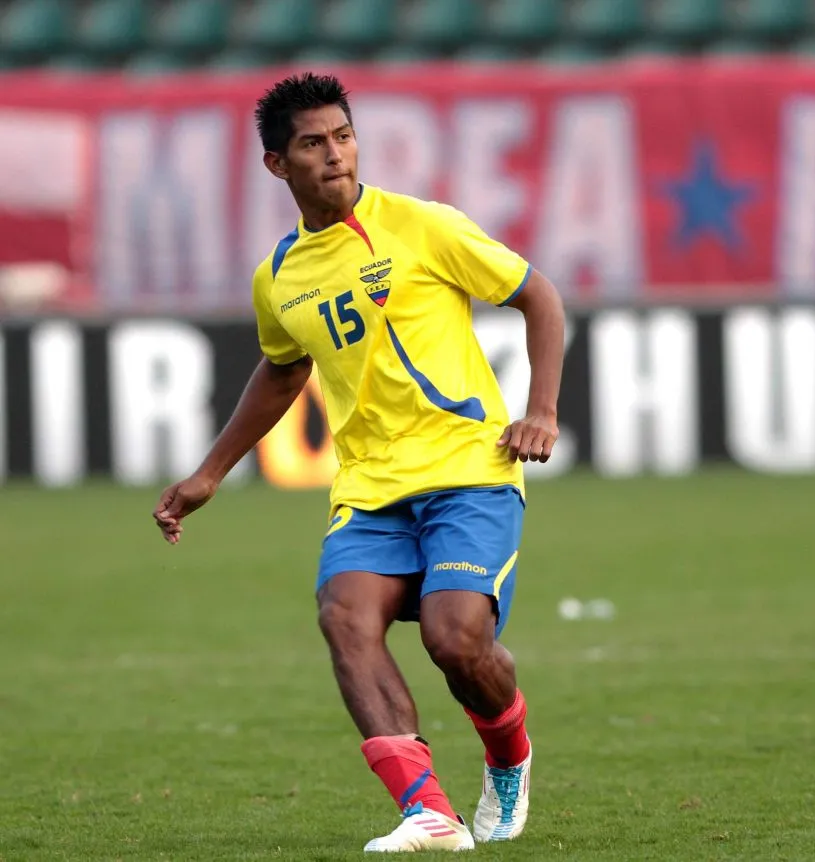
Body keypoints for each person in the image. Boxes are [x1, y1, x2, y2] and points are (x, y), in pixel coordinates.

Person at [152, 73, 565, 853]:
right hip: (371, 487)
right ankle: (427, 813)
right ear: (279, 165)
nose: (335, 156)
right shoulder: (279, 277)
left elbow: (537, 295)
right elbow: (281, 372)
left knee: (454, 640)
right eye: (313, 143)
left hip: (468, 468)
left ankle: (509, 756)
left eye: (343, 136)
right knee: (343, 616)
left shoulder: (420, 226)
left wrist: (539, 411)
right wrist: (208, 474)